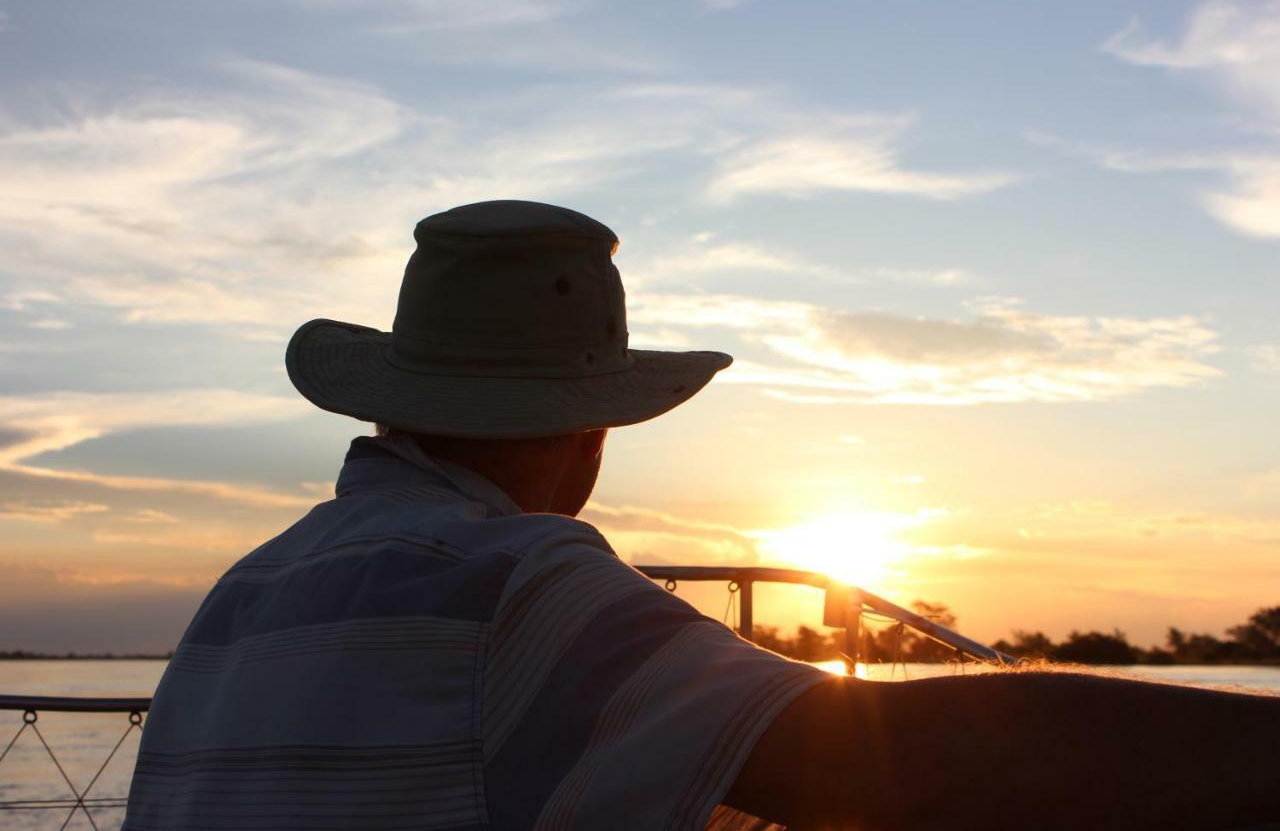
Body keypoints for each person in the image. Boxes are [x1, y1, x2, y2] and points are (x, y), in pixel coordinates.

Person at [125, 201, 1280, 831]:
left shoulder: (243, 596)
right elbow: (889, 767)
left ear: (391, 409)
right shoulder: (514, 580)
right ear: (589, 430)